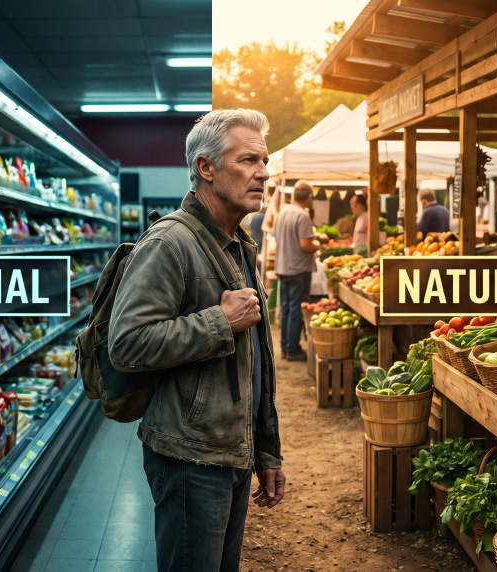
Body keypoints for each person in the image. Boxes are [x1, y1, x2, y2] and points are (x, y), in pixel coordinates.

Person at [108, 109, 285, 572]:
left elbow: (256, 361)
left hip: (232, 451)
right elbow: (126, 343)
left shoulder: (239, 244)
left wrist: (265, 449)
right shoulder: (170, 243)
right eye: (248, 160)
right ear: (206, 168)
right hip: (188, 459)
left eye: (264, 160)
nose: (264, 172)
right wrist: (219, 322)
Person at [274, 180, 322, 361]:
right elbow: (305, 244)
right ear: (309, 197)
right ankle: (293, 349)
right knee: (295, 309)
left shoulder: (282, 212)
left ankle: (285, 347)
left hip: (283, 267)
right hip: (298, 269)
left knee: (286, 308)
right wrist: (317, 244)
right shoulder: (302, 215)